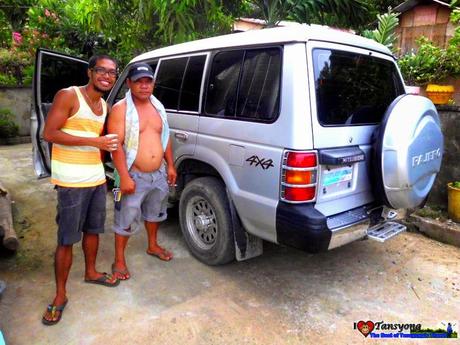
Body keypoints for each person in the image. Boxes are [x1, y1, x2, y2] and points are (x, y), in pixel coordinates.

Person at [42, 55, 120, 326]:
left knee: (93, 231)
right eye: (102, 71)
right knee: (66, 239)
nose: (107, 77)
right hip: (71, 182)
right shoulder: (69, 96)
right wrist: (94, 141)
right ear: (90, 72)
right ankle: (60, 294)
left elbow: (99, 145)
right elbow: (49, 133)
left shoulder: (105, 105)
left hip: (96, 180)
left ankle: (91, 272)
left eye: (112, 73)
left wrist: (103, 155)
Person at [108, 62, 177, 281]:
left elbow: (164, 137)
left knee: (155, 212)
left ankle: (153, 245)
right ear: (129, 83)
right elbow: (115, 145)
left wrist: (171, 165)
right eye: (139, 82)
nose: (144, 86)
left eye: (148, 81)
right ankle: (119, 259)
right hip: (131, 175)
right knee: (125, 216)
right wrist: (125, 177)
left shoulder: (158, 107)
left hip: (159, 174)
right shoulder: (121, 109)